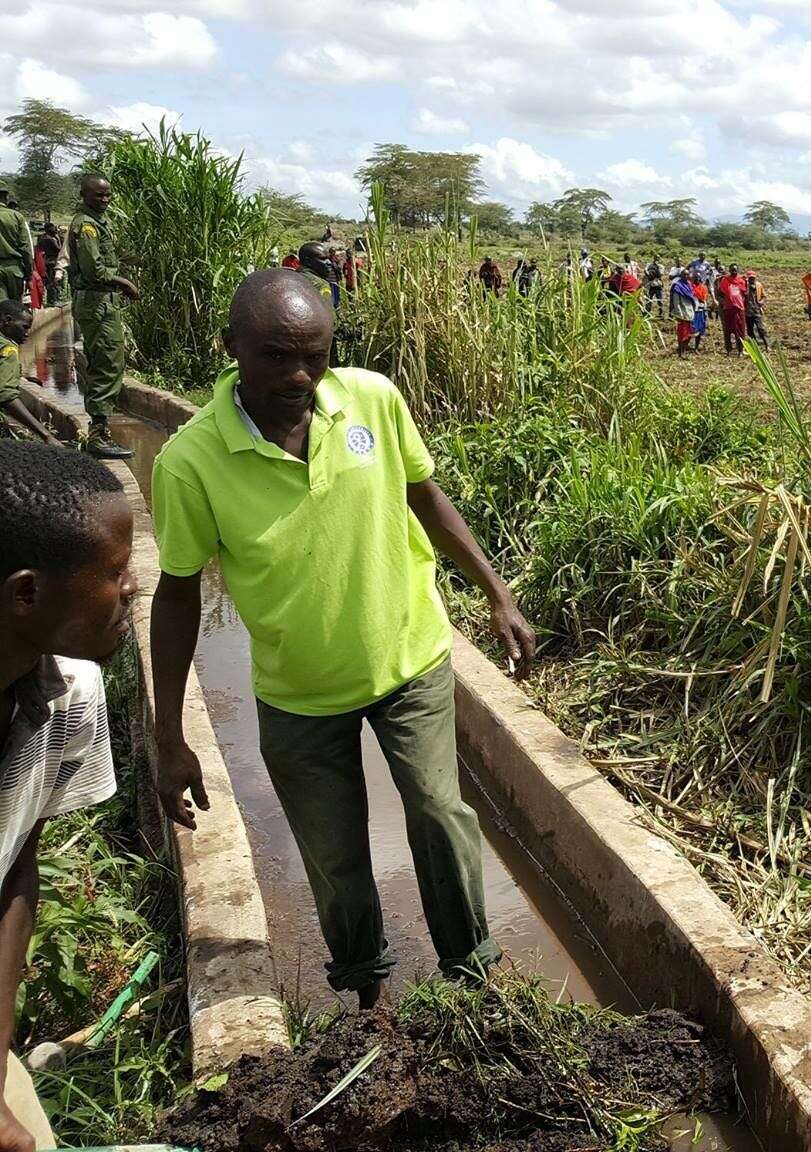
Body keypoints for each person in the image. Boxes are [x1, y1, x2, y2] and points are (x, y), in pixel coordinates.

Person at [149, 270, 538, 1009]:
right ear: (230, 346)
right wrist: (169, 733)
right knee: (334, 857)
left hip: (408, 656)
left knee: (437, 812)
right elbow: (175, 594)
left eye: (315, 356)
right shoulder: (191, 461)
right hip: (300, 692)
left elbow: (423, 494)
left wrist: (496, 589)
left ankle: (475, 980)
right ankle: (366, 999)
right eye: (274, 356)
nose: (299, 377)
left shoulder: (372, 400)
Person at [0, 440, 136, 1152]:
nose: (133, 587)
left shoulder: (70, 694)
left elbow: (14, 869)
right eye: (114, 572)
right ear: (27, 594)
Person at [68, 177, 140, 460]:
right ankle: (97, 435)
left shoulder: (99, 222)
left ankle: (99, 430)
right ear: (84, 194)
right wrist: (124, 282)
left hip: (101, 303)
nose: (105, 199)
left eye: (108, 194)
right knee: (108, 362)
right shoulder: (86, 225)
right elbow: (94, 270)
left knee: (108, 359)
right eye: (98, 195)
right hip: (96, 303)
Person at [0, 303, 59, 446]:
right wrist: (46, 435)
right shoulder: (8, 350)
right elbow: (6, 396)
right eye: (24, 327)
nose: (27, 333)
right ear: (7, 321)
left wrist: (20, 377)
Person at [0, 193, 28, 305]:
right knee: (14, 310)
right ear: (6, 198)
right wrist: (30, 273)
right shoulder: (17, 216)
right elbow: (25, 247)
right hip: (14, 269)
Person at [717, 268, 747, 354]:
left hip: (739, 309)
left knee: (740, 331)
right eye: (732, 270)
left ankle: (740, 350)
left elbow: (745, 293)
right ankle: (728, 350)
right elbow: (720, 293)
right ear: (730, 270)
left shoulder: (741, 281)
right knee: (728, 330)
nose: (734, 272)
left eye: (735, 270)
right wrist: (724, 302)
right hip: (728, 309)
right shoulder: (725, 281)